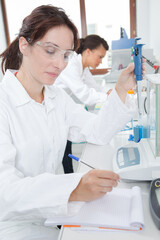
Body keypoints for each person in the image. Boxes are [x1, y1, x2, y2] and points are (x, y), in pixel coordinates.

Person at [0, 5, 143, 240]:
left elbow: (96, 132)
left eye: (66, 55)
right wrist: (74, 188)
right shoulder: (3, 104)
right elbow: (4, 190)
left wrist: (120, 91)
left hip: (50, 215)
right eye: (50, 51)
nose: (60, 64)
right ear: (24, 45)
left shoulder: (56, 97)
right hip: (11, 224)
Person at [55, 35, 110, 174]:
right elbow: (85, 95)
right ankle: (69, 177)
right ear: (88, 52)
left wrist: (110, 92)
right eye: (100, 57)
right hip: (53, 107)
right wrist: (108, 97)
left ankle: (70, 174)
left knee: (67, 144)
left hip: (61, 106)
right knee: (64, 147)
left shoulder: (83, 67)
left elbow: (95, 88)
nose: (100, 61)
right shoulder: (71, 65)